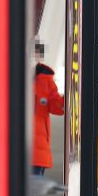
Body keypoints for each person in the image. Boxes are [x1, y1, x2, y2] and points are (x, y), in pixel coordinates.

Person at [32, 41, 64, 177]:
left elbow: (57, 107)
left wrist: (69, 95)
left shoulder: (46, 81)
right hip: (13, 149)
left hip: (38, 149)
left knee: (32, 193)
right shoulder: (8, 76)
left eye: (37, 55)